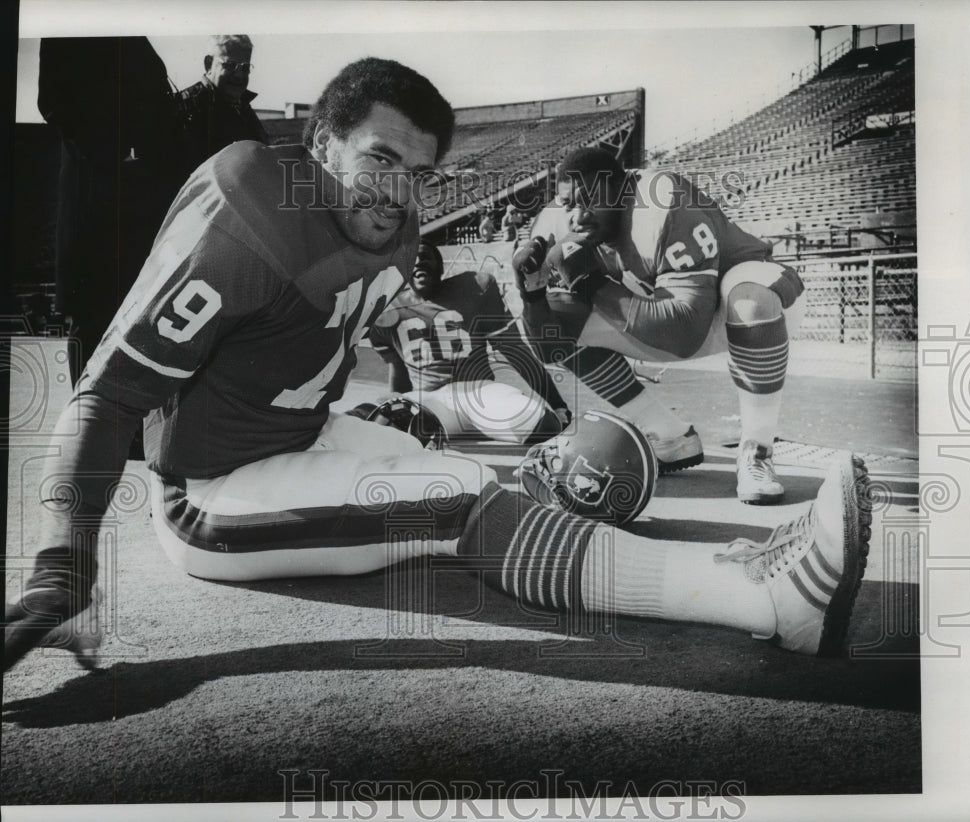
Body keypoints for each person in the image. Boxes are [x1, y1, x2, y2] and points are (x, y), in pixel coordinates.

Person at [3, 58, 870, 675]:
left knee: (447, 465)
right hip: (208, 488)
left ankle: (561, 537)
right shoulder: (246, 209)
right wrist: (62, 569)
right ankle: (766, 600)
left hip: (302, 436)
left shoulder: (394, 223)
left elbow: (378, 320)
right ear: (321, 145)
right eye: (381, 158)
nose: (400, 190)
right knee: (449, 498)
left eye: (421, 172)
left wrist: (481, 322)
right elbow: (106, 395)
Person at [513, 147, 807, 504]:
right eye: (569, 204)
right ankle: (669, 435)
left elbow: (685, 334)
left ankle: (757, 450)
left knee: (749, 297)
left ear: (622, 190)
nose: (577, 216)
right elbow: (548, 348)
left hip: (747, 298)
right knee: (560, 316)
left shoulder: (662, 204)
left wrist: (589, 283)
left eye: (590, 200)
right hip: (662, 308)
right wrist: (531, 293)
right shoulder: (556, 223)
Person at [38, 36, 186, 387]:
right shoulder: (69, 28)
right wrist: (121, 150)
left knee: (135, 320)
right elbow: (53, 104)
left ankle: (125, 432)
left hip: (139, 208)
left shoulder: (135, 37)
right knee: (93, 321)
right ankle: (87, 423)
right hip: (96, 204)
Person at [367, 241, 570, 444]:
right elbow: (399, 370)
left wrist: (558, 404)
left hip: (479, 392)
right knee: (376, 426)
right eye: (412, 258)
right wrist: (397, 404)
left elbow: (515, 351)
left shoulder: (475, 288)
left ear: (441, 267)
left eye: (426, 256)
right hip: (429, 401)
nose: (419, 262)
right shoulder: (387, 309)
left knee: (543, 424)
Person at [175, 35, 269, 172]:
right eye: (230, 66)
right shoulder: (186, 109)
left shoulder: (242, 107)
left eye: (245, 68)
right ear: (208, 64)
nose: (239, 75)